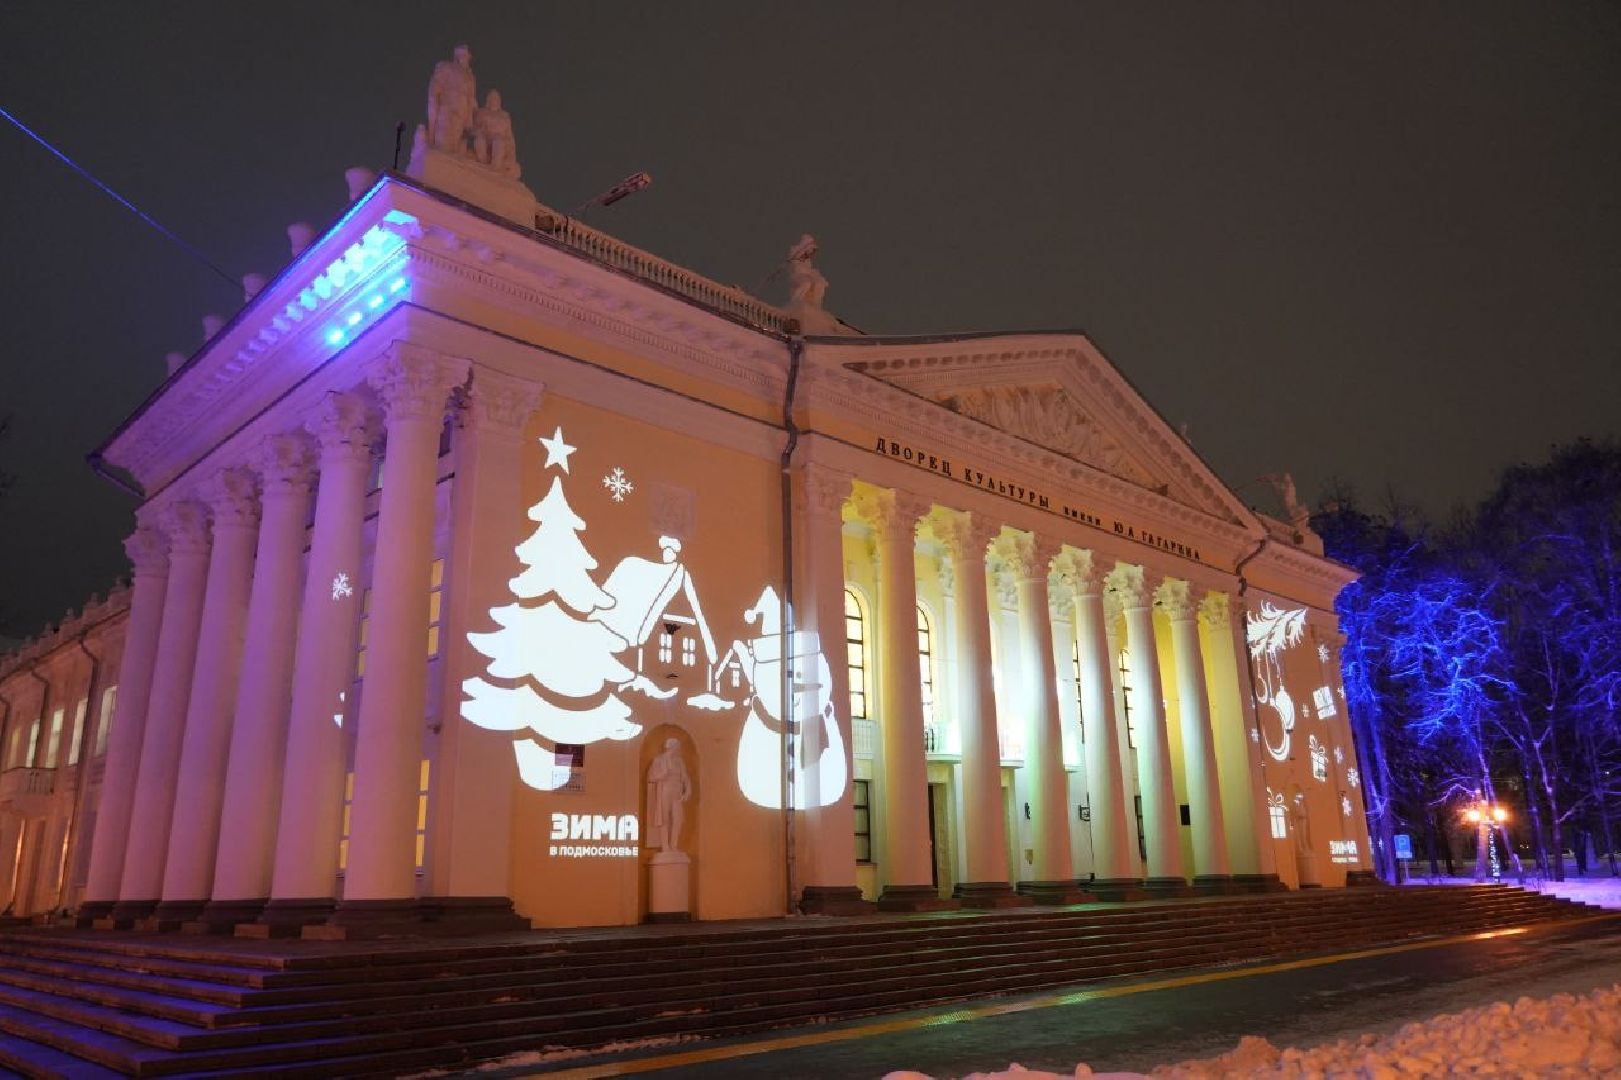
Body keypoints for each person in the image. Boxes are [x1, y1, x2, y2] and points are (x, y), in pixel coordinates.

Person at [427, 45, 477, 155]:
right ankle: (439, 155)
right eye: (464, 56)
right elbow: (436, 85)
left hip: (461, 110)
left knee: (455, 138)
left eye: (467, 57)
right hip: (447, 106)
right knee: (444, 135)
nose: (466, 59)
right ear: (458, 56)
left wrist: (469, 118)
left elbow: (471, 97)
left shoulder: (470, 77)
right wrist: (434, 101)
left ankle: (449, 157)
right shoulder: (447, 67)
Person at [646, 738, 692, 853]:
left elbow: (685, 778)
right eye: (676, 747)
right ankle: (665, 846)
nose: (678, 749)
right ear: (671, 747)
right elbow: (651, 777)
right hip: (665, 790)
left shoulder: (679, 761)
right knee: (664, 818)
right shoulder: (659, 760)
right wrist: (662, 775)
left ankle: (674, 845)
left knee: (678, 818)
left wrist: (687, 791)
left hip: (677, 792)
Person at [473, 90, 521, 178]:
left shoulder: (504, 116)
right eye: (492, 98)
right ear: (488, 100)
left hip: (500, 141)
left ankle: (495, 167)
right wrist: (480, 131)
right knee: (479, 139)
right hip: (485, 139)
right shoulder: (482, 112)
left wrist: (511, 154)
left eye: (496, 98)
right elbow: (475, 128)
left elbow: (509, 136)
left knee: (498, 141)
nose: (494, 100)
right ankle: (482, 162)